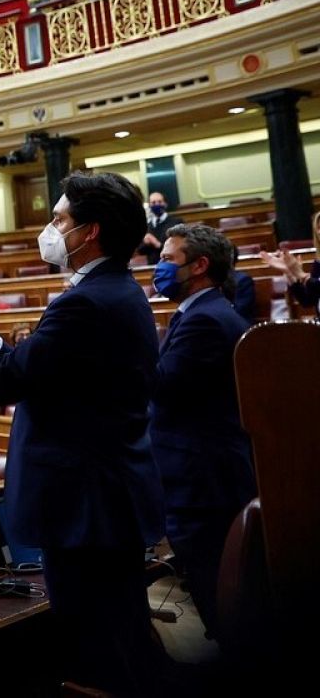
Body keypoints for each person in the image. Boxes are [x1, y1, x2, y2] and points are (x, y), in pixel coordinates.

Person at [0, 171, 165, 696]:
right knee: (120, 637)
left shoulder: (85, 302)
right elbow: (39, 370)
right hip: (105, 500)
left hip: (87, 507)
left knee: (99, 650)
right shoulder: (113, 292)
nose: (51, 227)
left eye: (59, 218)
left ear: (88, 232)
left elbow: (1, 379)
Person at [151, 223, 257, 639]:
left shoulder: (206, 320)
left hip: (203, 483)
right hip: (205, 475)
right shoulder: (206, 312)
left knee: (220, 596)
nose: (157, 267)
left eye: (166, 260)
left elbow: (162, 385)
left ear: (199, 265)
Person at [260, 211, 320, 308]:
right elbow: (308, 301)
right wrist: (290, 274)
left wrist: (302, 275)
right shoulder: (318, 262)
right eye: (318, 228)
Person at [139, 191, 184, 265]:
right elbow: (141, 251)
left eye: (160, 202)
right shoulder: (146, 225)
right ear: (149, 205)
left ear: (165, 204)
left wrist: (157, 244)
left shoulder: (176, 222)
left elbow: (179, 247)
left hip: (171, 265)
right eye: (153, 203)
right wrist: (145, 243)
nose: (157, 204)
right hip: (152, 266)